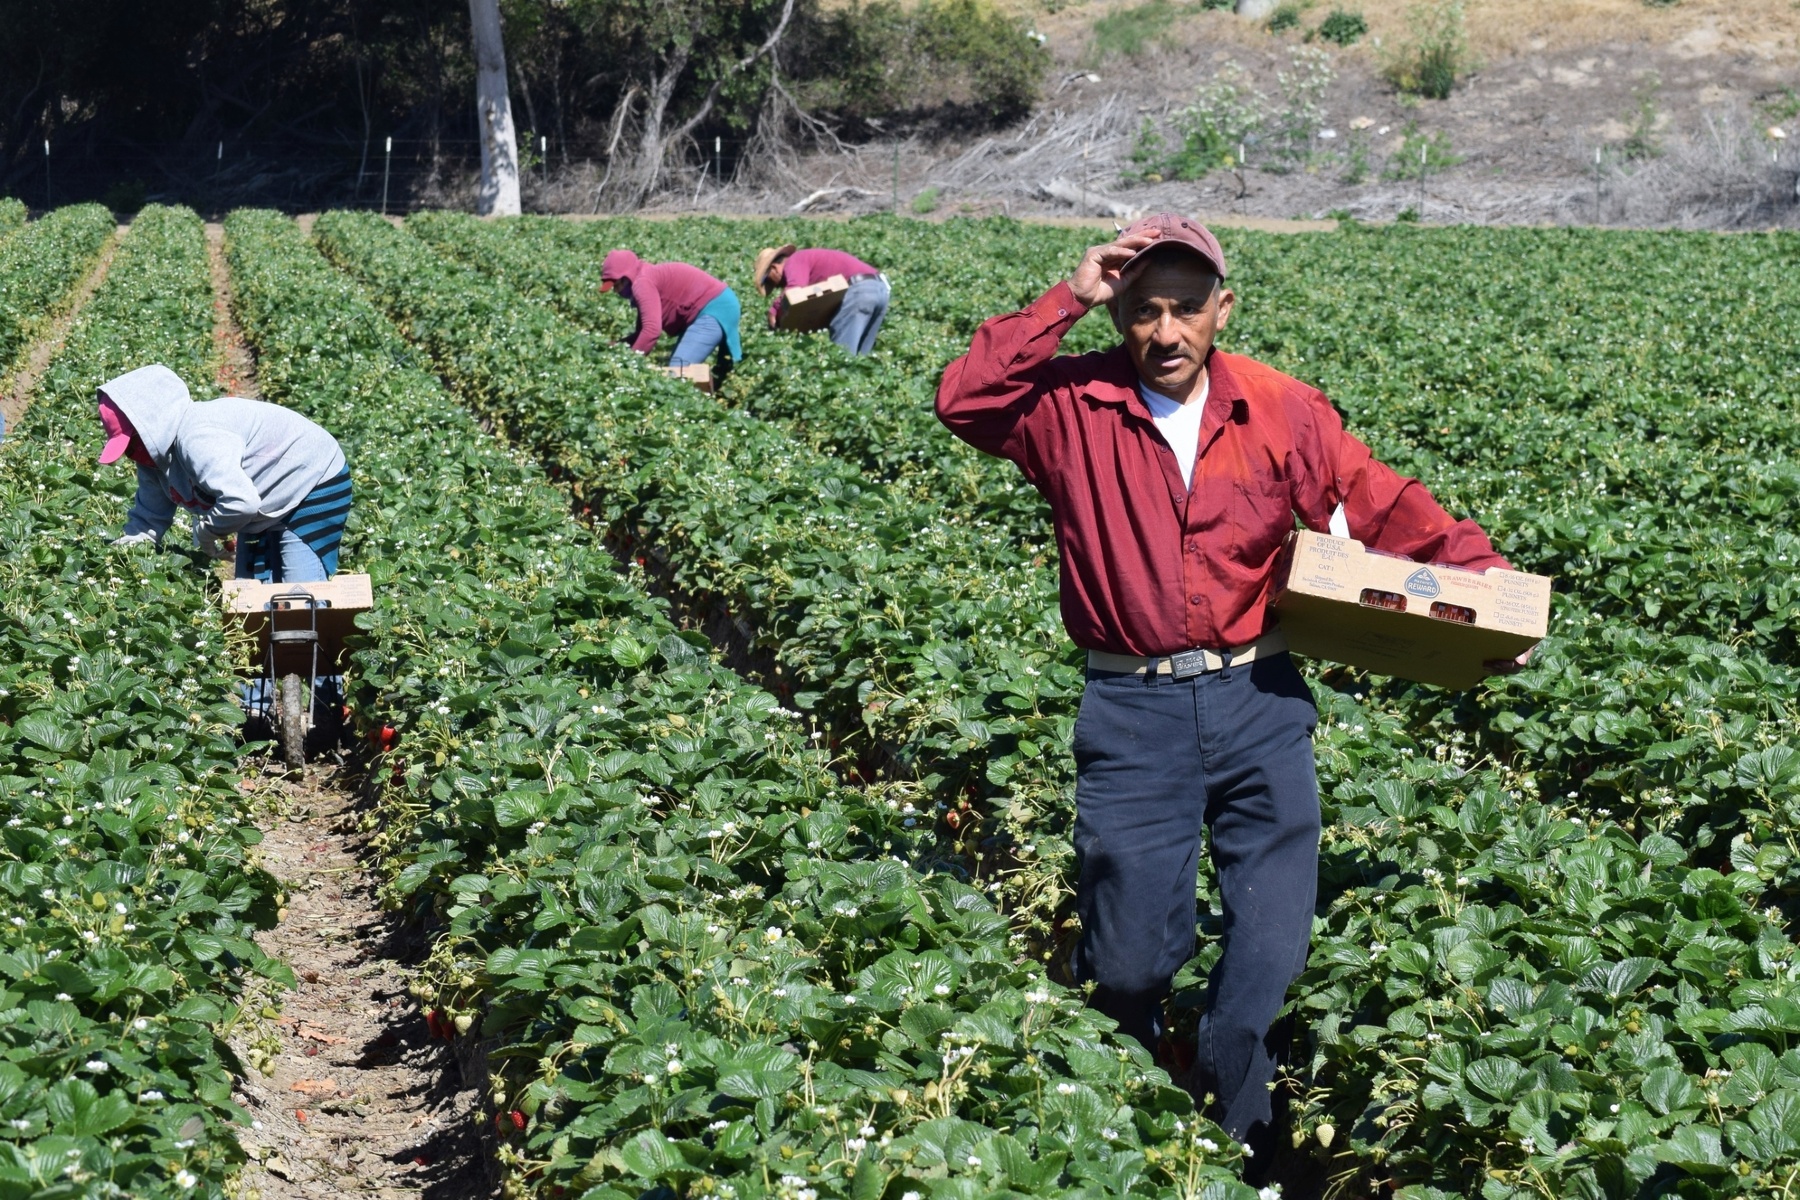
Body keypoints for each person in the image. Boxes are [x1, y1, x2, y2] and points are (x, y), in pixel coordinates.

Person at [935, 214, 1525, 1162]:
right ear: (1117, 313)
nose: (1165, 332)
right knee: (1130, 956)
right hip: (1134, 710)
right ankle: (1125, 1103)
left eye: (1184, 309)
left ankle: (1234, 1126)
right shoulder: (1068, 406)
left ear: (1222, 309)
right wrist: (1065, 297)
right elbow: (964, 401)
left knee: (1267, 948)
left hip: (1260, 698)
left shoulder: (1279, 407)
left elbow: (1375, 501)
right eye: (1140, 310)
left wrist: (1486, 586)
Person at [98, 363, 351, 583]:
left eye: (132, 443)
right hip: (264, 494)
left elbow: (241, 503)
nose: (130, 454)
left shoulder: (199, 437)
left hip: (313, 479)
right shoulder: (153, 459)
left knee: (298, 597)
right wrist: (116, 558)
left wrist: (207, 533)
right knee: (249, 597)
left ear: (153, 426)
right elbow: (148, 521)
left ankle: (312, 635)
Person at [601, 250, 741, 376]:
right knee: (680, 369)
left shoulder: (642, 283)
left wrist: (630, 362)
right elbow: (642, 332)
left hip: (714, 307)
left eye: (617, 285)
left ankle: (700, 394)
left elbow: (651, 330)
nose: (616, 291)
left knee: (678, 371)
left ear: (627, 277)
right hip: (715, 305)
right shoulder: (644, 277)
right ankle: (707, 388)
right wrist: (619, 345)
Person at [753, 244, 889, 355]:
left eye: (769, 281)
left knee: (842, 357)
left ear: (774, 268)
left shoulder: (795, 261)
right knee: (861, 358)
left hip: (859, 292)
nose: (777, 287)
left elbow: (793, 293)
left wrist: (776, 311)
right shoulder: (809, 260)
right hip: (880, 290)